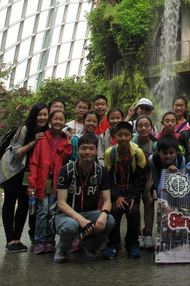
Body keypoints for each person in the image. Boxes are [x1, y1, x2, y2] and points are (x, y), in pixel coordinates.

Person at [0, 102, 49, 252]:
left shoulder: (46, 131)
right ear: (34, 115)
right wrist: (34, 142)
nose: (42, 118)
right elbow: (16, 152)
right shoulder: (24, 129)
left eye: (45, 115)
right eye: (40, 114)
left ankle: (17, 238)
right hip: (14, 171)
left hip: (28, 173)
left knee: (24, 204)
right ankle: (10, 239)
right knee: (10, 202)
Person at [54, 133, 115, 263]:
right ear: (78, 150)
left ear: (96, 151)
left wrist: (104, 214)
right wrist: (80, 219)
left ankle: (89, 246)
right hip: (67, 215)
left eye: (91, 148)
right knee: (71, 226)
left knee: (109, 220)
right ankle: (63, 248)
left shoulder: (101, 172)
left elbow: (107, 200)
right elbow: (61, 203)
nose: (87, 152)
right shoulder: (66, 170)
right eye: (84, 148)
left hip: (90, 213)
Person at [28, 109, 72, 254]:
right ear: (50, 121)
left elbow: (65, 159)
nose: (58, 122)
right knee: (42, 211)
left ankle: (50, 240)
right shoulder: (42, 138)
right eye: (55, 119)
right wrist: (32, 183)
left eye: (61, 119)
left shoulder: (65, 139)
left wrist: (68, 145)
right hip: (42, 180)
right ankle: (39, 240)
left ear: (65, 122)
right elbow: (34, 162)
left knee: (52, 211)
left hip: (56, 181)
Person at [103, 122, 146, 259]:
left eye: (126, 135)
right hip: (116, 191)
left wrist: (133, 197)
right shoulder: (110, 153)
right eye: (120, 135)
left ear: (131, 137)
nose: (123, 138)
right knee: (114, 212)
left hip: (132, 190)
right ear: (114, 136)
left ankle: (132, 244)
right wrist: (117, 197)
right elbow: (108, 179)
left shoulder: (138, 153)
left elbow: (140, 178)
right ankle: (113, 244)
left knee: (134, 212)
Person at [135, 116, 157, 250]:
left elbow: (154, 167)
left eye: (146, 125)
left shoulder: (154, 144)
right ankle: (137, 234)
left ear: (151, 127)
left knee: (149, 202)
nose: (143, 128)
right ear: (136, 128)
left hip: (150, 176)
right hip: (135, 177)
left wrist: (149, 186)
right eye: (140, 126)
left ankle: (148, 234)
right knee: (135, 204)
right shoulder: (132, 141)